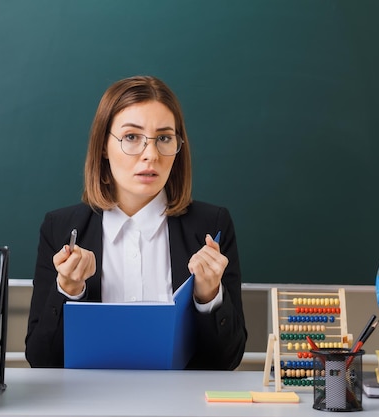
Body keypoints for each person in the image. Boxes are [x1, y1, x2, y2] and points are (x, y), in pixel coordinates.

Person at [25, 75, 247, 370]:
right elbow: (41, 359)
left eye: (165, 138)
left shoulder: (212, 226)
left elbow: (226, 362)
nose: (151, 155)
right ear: (104, 145)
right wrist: (67, 289)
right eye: (131, 137)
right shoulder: (60, 228)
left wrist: (209, 296)